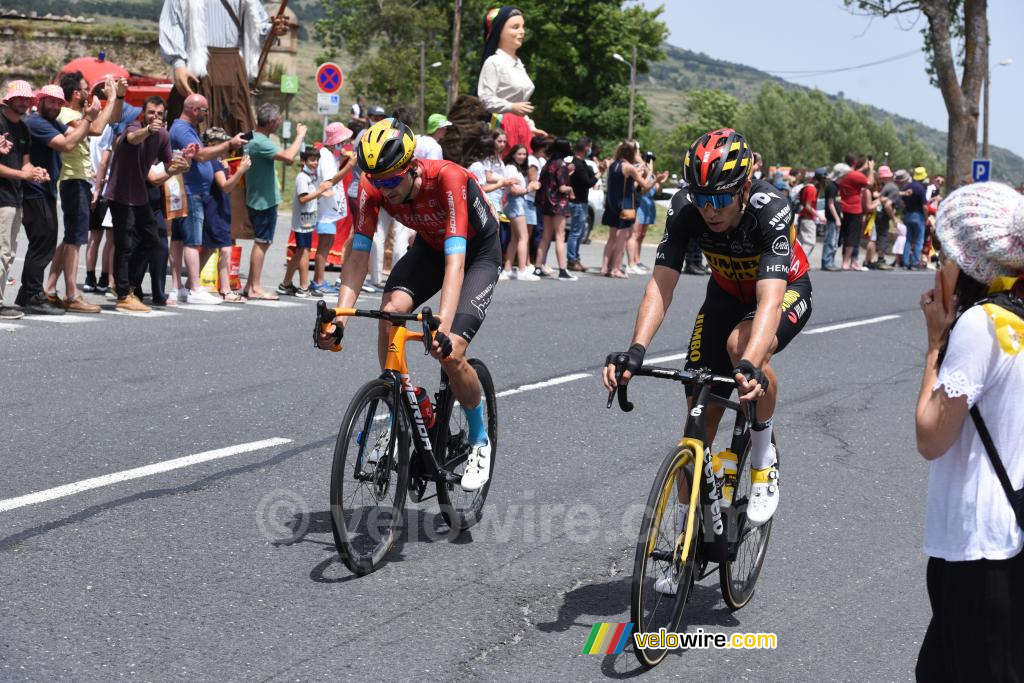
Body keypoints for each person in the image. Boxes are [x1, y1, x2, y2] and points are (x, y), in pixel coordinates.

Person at [603, 129, 813, 595]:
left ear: (744, 187)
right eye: (702, 198)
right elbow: (661, 284)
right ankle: (687, 539)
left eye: (720, 198)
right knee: (697, 422)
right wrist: (636, 350)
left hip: (783, 293)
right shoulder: (684, 208)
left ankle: (763, 459)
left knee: (742, 349)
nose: (710, 210)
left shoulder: (771, 209)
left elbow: (770, 298)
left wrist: (752, 363)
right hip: (722, 297)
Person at [317, 118, 501, 491]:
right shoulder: (372, 184)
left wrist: (443, 326)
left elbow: (456, 264)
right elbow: (358, 254)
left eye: (391, 182)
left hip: (476, 253)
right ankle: (402, 404)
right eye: (377, 182)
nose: (384, 190)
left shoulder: (448, 178)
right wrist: (339, 319)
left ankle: (479, 440)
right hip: (430, 249)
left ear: (412, 166)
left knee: (450, 352)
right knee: (390, 311)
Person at [913, 181, 1024, 679]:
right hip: (1009, 535)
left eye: (944, 254)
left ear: (972, 264)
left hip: (979, 543)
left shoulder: (983, 326)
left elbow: (931, 437)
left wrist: (935, 345)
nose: (938, 266)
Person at [17, 84, 106, 315]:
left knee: (44, 244)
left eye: (58, 102)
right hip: (34, 191)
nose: (55, 106)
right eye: (51, 101)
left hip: (45, 191)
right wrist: (88, 118)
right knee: (42, 245)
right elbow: (67, 145)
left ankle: (29, 294)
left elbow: (83, 134)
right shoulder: (37, 122)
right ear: (40, 101)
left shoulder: (52, 122)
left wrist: (96, 113)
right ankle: (33, 295)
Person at [44, 73, 124, 314]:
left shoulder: (79, 113)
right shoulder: (67, 114)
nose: (90, 91)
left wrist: (117, 97)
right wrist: (110, 99)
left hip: (80, 180)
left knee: (71, 237)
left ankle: (49, 288)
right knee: (75, 239)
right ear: (76, 93)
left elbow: (113, 118)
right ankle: (72, 294)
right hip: (73, 180)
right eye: (86, 88)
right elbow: (97, 129)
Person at [104, 96, 189, 313]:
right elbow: (132, 139)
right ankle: (123, 294)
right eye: (151, 112)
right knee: (124, 245)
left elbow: (168, 165)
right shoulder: (135, 127)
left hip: (140, 195)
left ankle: (129, 285)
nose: (155, 117)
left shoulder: (163, 135)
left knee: (152, 239)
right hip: (120, 194)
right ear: (144, 113)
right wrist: (149, 130)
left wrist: (180, 166)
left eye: (159, 113)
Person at [168, 93, 246, 305]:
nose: (207, 114)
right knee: (192, 241)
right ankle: (194, 288)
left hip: (186, 190)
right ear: (194, 110)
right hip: (191, 191)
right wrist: (229, 144)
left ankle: (178, 287)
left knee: (179, 239)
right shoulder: (183, 130)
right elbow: (200, 155)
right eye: (205, 110)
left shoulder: (185, 129)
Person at [242, 102, 306, 300]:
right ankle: (255, 287)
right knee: (262, 243)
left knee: (262, 242)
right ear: (270, 122)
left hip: (258, 198)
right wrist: (300, 136)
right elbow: (288, 157)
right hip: (263, 201)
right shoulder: (261, 142)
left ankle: (249, 286)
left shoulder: (253, 138)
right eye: (278, 120)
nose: (279, 123)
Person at [0, 80, 47, 320]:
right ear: (8, 100)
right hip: (2, 198)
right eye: (19, 98)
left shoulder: (24, 128)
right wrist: (23, 175)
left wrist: (36, 172)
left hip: (15, 197)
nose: (23, 102)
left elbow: (25, 163)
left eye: (27, 99)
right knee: (2, 251)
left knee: (8, 253)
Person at [477, 6, 542, 149]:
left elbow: (521, 105)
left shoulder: (518, 63)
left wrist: (530, 127)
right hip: (500, 127)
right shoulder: (494, 62)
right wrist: (511, 107)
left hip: (520, 127)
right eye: (515, 27)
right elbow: (485, 99)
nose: (522, 32)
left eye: (523, 27)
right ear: (499, 31)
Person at [200, 126, 250, 302]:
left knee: (209, 248)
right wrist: (240, 170)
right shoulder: (214, 162)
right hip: (216, 210)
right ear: (212, 143)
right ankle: (226, 290)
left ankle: (191, 283)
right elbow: (226, 186)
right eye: (222, 142)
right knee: (225, 249)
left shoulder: (217, 162)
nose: (226, 145)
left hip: (219, 209)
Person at [602, 140, 659, 279]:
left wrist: (639, 169)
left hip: (611, 205)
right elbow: (645, 185)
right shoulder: (629, 167)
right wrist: (654, 176)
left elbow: (625, 178)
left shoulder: (613, 165)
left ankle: (605, 267)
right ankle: (616, 269)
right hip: (625, 206)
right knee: (622, 238)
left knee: (611, 238)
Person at [311, 121, 354, 296]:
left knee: (326, 245)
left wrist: (343, 161)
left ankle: (319, 280)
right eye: (342, 140)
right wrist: (349, 165)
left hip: (329, 209)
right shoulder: (326, 156)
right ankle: (319, 281)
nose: (344, 143)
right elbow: (331, 181)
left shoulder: (328, 154)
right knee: (324, 246)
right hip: (326, 210)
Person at [279, 148, 326, 298]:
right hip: (302, 222)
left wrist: (322, 193)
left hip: (308, 220)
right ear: (303, 161)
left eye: (317, 160)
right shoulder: (302, 177)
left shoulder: (312, 176)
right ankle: (303, 287)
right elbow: (303, 198)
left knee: (300, 251)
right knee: (304, 252)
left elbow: (312, 196)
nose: (315, 163)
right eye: (312, 160)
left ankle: (285, 283)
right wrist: (320, 191)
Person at [533, 137, 576, 281]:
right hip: (559, 204)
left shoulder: (548, 164)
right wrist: (570, 189)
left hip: (546, 203)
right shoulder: (561, 165)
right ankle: (563, 270)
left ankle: (538, 267)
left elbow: (549, 183)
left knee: (546, 236)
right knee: (559, 236)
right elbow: (562, 188)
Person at [627, 150, 669, 274]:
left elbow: (658, 192)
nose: (650, 162)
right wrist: (654, 180)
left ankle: (637, 260)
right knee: (636, 234)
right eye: (647, 159)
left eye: (651, 160)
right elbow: (642, 191)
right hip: (640, 206)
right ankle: (633, 260)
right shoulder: (640, 172)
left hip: (648, 207)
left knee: (642, 235)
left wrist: (660, 181)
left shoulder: (652, 175)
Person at [500, 143, 537, 279]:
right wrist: (529, 189)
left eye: (524, 154)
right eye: (519, 154)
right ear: (513, 154)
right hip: (515, 202)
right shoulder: (511, 168)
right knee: (523, 237)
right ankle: (522, 270)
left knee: (515, 238)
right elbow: (513, 190)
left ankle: (508, 269)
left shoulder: (515, 168)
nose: (522, 156)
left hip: (516, 203)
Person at [836, 154, 874, 271]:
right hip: (854, 208)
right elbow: (870, 183)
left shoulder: (847, 174)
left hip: (846, 206)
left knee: (850, 235)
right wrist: (871, 169)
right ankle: (846, 262)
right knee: (852, 236)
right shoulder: (856, 175)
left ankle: (852, 261)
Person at [567, 137, 597, 272]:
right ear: (586, 148)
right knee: (575, 233)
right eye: (589, 146)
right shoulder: (577, 164)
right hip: (577, 202)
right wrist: (597, 176)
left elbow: (590, 174)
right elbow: (588, 182)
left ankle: (576, 259)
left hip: (582, 202)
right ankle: (572, 260)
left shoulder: (582, 162)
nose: (590, 149)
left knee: (579, 233)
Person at [870, 165, 899, 270]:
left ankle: (873, 260)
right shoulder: (893, 188)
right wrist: (894, 218)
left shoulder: (885, 187)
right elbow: (887, 205)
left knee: (877, 237)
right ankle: (881, 260)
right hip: (883, 216)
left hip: (878, 214)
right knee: (883, 237)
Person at [900, 166, 928, 271]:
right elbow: (925, 206)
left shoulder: (907, 186)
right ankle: (915, 263)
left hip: (908, 214)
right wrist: (926, 218)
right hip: (918, 215)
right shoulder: (921, 189)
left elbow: (902, 201)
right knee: (919, 240)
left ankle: (906, 262)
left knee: (908, 239)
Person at [820, 164, 843, 271]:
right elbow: (830, 204)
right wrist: (837, 218)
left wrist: (840, 214)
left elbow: (837, 203)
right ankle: (827, 262)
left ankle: (831, 262)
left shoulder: (836, 187)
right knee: (830, 240)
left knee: (834, 241)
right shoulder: (832, 187)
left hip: (835, 218)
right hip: (832, 219)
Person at [795, 167, 821, 259]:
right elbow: (808, 206)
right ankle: (800, 261)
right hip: (808, 218)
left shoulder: (806, 187)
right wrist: (819, 216)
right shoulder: (811, 189)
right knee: (810, 243)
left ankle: (796, 261)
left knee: (802, 242)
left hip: (804, 217)